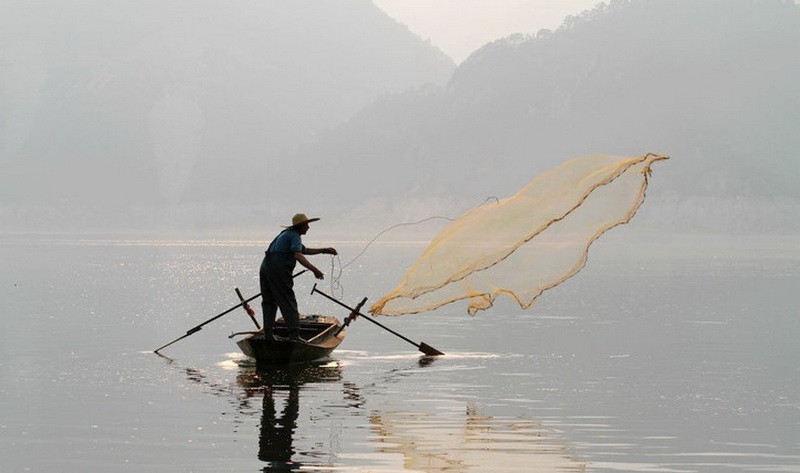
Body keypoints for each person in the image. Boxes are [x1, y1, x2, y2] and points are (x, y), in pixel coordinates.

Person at [259, 213, 337, 342]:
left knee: (269, 302)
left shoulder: (286, 234)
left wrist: (325, 250)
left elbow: (303, 250)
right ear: (300, 226)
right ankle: (294, 336)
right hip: (277, 269)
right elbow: (298, 255)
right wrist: (315, 270)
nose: (308, 228)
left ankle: (268, 335)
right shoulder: (294, 235)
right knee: (288, 301)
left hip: (265, 268)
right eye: (306, 225)